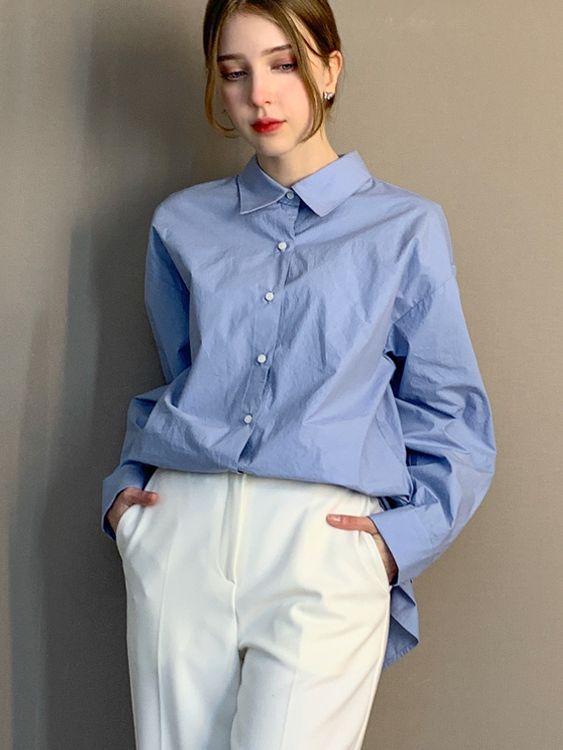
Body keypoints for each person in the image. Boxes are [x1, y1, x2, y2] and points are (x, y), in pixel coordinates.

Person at [101, 1, 497, 748]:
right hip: (181, 531)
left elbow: (451, 415)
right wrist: (129, 506)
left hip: (322, 545)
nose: (259, 94)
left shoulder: (403, 228)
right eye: (234, 72)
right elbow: (181, 379)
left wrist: (389, 545)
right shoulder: (180, 223)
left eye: (283, 64)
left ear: (330, 68)